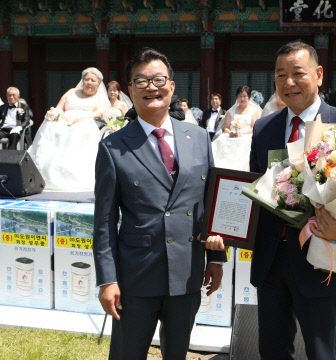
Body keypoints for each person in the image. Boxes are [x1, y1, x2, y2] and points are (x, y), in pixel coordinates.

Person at [207, 41, 336, 360]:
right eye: (280, 75)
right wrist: (227, 229)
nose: (288, 82)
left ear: (318, 75)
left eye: (297, 73)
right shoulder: (263, 129)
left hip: (324, 257)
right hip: (271, 262)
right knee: (271, 350)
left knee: (320, 351)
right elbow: (256, 187)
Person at [93, 47, 226, 360]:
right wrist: (107, 280)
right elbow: (104, 221)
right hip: (136, 275)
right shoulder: (113, 146)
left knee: (177, 353)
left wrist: (216, 259)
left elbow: (211, 205)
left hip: (187, 270)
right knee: (128, 353)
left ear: (172, 86)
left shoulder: (199, 137)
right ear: (130, 91)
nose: (151, 87)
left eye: (158, 79)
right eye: (140, 82)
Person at [28, 67, 111, 192]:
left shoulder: (98, 98)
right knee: (50, 124)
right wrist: (58, 114)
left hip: (85, 122)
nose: (89, 82)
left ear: (98, 84)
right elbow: (59, 107)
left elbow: (99, 113)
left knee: (79, 130)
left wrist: (83, 118)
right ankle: (45, 169)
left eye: (93, 80)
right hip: (64, 121)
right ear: (82, 81)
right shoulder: (71, 92)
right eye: (87, 79)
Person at [211, 86, 261, 171]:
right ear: (237, 98)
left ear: (249, 97)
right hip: (231, 135)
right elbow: (226, 127)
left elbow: (254, 128)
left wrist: (241, 134)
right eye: (240, 96)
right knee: (220, 141)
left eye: (244, 96)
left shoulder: (254, 111)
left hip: (247, 136)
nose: (242, 98)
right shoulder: (231, 111)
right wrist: (231, 133)